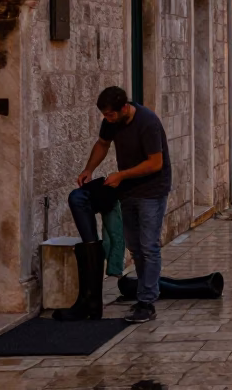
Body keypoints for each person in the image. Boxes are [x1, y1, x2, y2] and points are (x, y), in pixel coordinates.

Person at [71, 86, 172, 322]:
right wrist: (89, 169)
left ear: (124, 108)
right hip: (128, 191)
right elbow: (103, 144)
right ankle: (143, 294)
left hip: (152, 190)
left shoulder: (148, 123)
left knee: (149, 246)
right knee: (135, 246)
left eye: (111, 115)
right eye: (105, 115)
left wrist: (122, 175)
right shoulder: (111, 121)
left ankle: (147, 302)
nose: (108, 119)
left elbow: (155, 163)